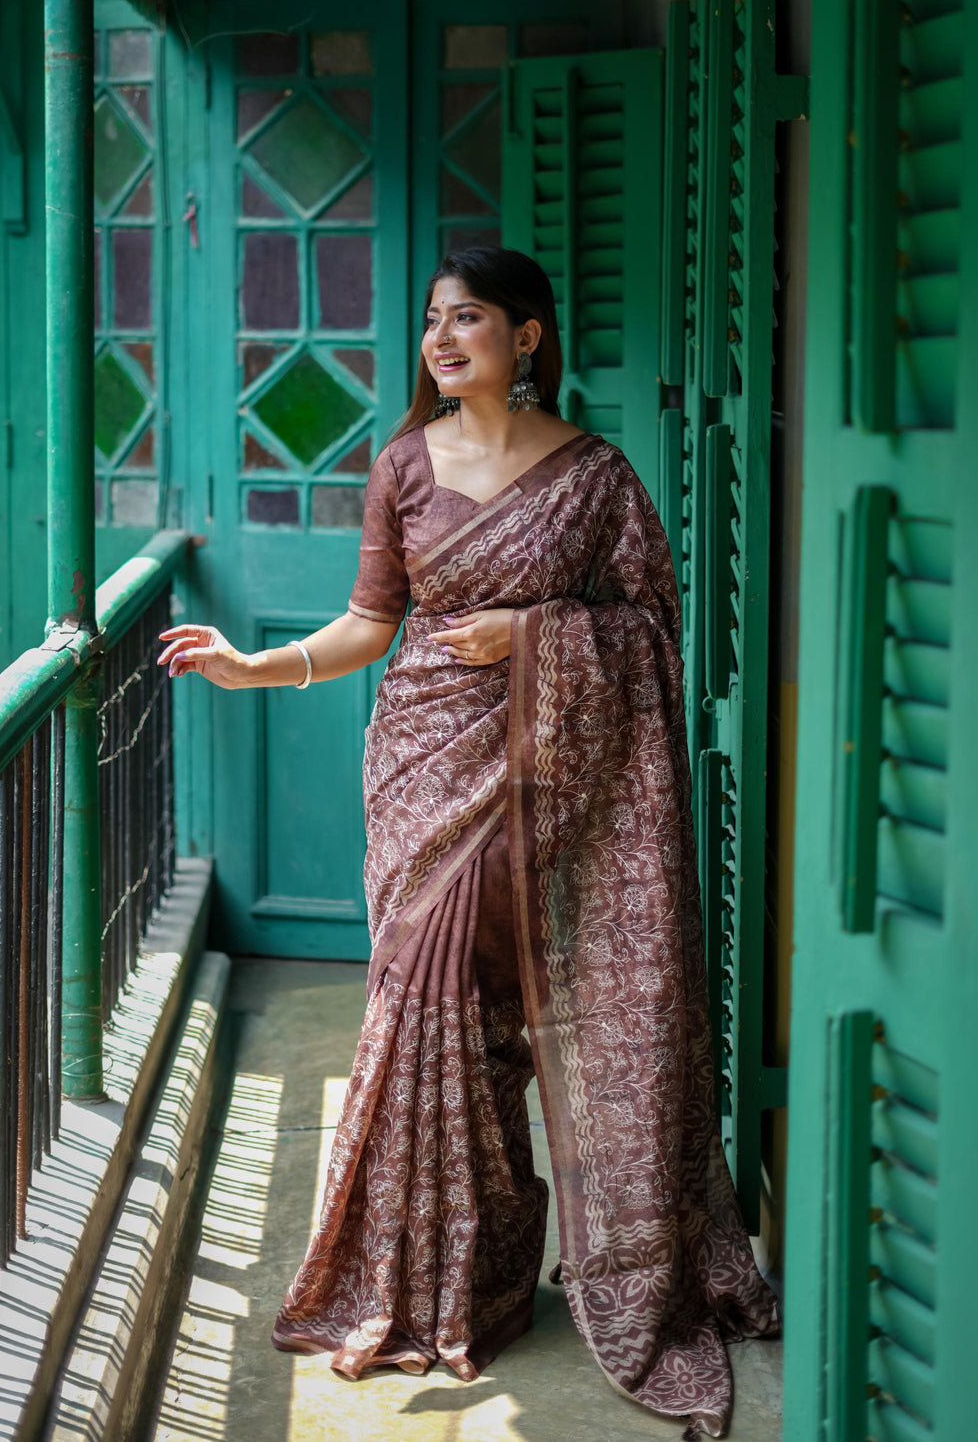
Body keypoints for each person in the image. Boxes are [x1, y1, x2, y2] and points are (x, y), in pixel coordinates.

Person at [156, 245, 779, 1436]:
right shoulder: (400, 466)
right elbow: (365, 624)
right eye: (434, 321)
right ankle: (454, 1282)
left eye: (472, 319)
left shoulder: (597, 477)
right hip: (426, 767)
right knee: (430, 1011)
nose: (444, 341)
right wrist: (258, 667)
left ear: (528, 338)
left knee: (527, 1006)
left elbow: (650, 627)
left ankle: (595, 1262)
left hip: (560, 778)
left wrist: (540, 631)